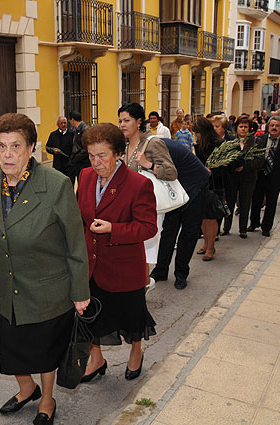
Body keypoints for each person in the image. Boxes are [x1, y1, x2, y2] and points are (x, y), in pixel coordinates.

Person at [0, 113, 90, 425]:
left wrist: (79, 292)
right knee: (11, 347)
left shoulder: (56, 185)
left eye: (16, 146)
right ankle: (27, 388)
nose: (7, 154)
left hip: (48, 289)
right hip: (10, 288)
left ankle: (47, 398)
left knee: (44, 352)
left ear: (31, 148)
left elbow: (75, 243)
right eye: (1, 147)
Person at [77, 123, 157, 383]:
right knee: (91, 316)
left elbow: (148, 227)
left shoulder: (138, 184)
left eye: (102, 155)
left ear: (118, 154)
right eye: (91, 155)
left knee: (131, 317)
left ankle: (136, 352)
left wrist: (114, 229)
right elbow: (81, 216)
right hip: (92, 264)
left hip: (124, 267)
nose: (96, 162)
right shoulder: (86, 176)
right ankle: (97, 358)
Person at [118, 103, 177, 291]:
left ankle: (142, 288)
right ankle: (138, 287)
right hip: (126, 206)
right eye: (120, 121)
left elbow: (172, 172)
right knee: (132, 251)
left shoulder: (153, 143)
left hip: (146, 207)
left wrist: (148, 164)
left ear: (139, 121)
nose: (122, 125)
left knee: (143, 252)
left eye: (127, 120)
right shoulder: (124, 145)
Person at [150, 139, 211, 290]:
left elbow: (166, 172)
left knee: (188, 233)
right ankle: (161, 270)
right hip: (176, 185)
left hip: (195, 185)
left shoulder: (153, 146)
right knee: (168, 231)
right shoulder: (142, 146)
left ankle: (181, 274)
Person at [192, 116, 242, 260]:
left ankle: (211, 247)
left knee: (211, 217)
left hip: (217, 184)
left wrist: (215, 169)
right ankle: (206, 243)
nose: (196, 136)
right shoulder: (201, 143)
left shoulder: (220, 143)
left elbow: (237, 161)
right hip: (203, 183)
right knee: (203, 216)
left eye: (197, 133)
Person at [248, 116, 280, 236]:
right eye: (272, 125)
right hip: (260, 175)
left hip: (276, 177)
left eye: (277, 126)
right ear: (268, 127)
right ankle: (254, 223)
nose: (274, 128)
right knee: (256, 200)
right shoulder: (259, 139)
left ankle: (266, 227)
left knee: (271, 203)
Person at [225, 115, 266, 239]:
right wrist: (233, 166)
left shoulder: (256, 141)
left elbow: (260, 160)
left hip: (248, 177)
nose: (243, 129)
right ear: (236, 128)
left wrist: (244, 166)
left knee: (245, 202)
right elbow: (225, 158)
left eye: (245, 127)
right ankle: (226, 227)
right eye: (240, 126)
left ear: (249, 128)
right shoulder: (230, 141)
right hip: (232, 177)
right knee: (230, 202)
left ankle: (243, 229)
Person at [45, 116, 75, 181]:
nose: (63, 125)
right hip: (58, 165)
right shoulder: (53, 135)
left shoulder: (72, 134)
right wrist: (53, 150)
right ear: (58, 125)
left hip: (69, 165)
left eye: (65, 123)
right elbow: (47, 147)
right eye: (61, 123)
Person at [68, 111, 91, 183]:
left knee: (83, 183)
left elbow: (87, 148)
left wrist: (76, 157)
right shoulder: (77, 130)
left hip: (83, 162)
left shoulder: (85, 130)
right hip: (78, 162)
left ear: (72, 120)